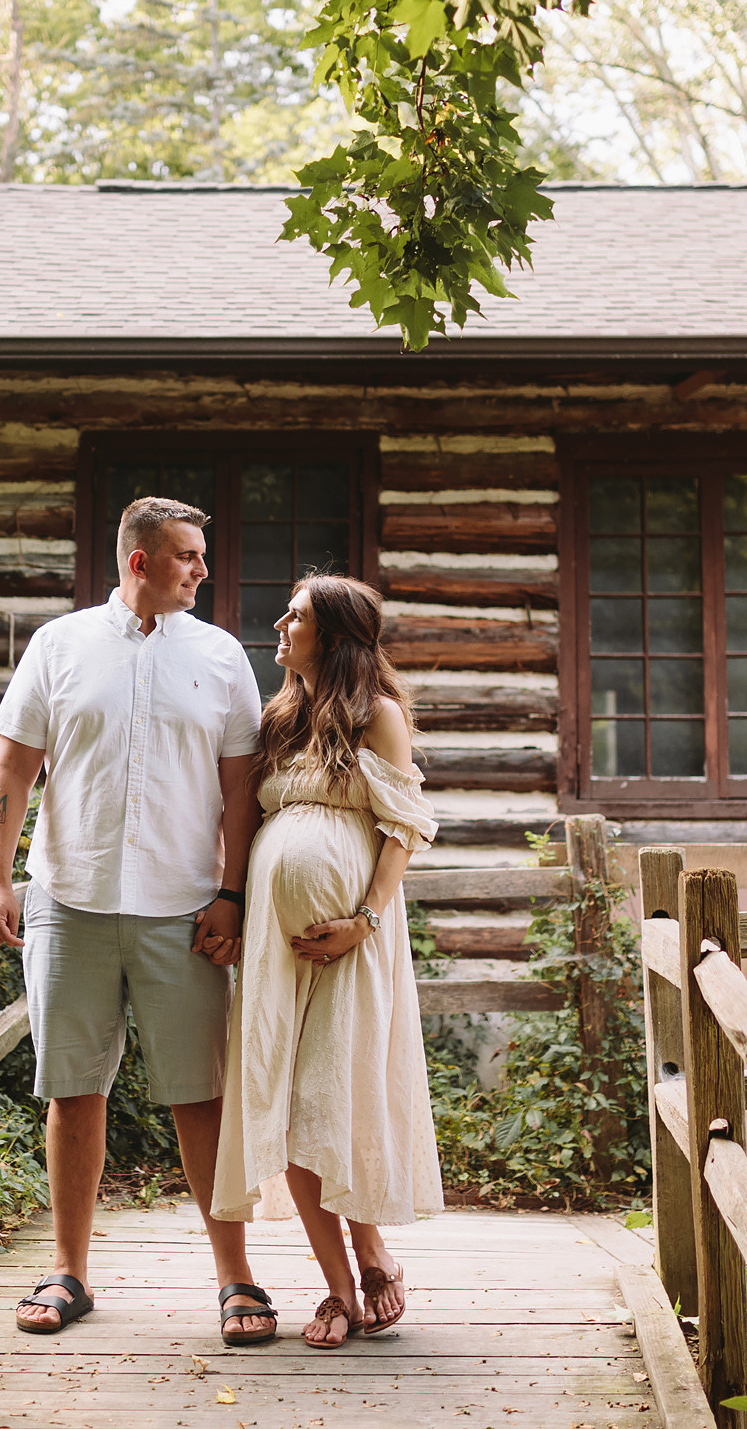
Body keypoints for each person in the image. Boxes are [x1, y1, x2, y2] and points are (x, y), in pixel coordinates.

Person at [0, 496, 284, 1346]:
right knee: (73, 1090)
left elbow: (237, 790)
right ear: (140, 560)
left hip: (182, 912)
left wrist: (231, 892)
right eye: (188, 555)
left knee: (201, 1096)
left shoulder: (221, 656)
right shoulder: (60, 645)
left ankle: (236, 1277)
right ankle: (68, 1269)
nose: (203, 569)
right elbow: (14, 763)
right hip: (69, 902)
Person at [210, 573, 444, 1349]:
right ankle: (339, 1286)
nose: (280, 623)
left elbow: (404, 828)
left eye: (298, 615)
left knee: (331, 1093)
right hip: (278, 953)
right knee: (284, 1097)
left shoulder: (377, 716)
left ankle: (375, 1253)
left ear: (336, 636)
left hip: (350, 945)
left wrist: (365, 921)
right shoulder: (281, 718)